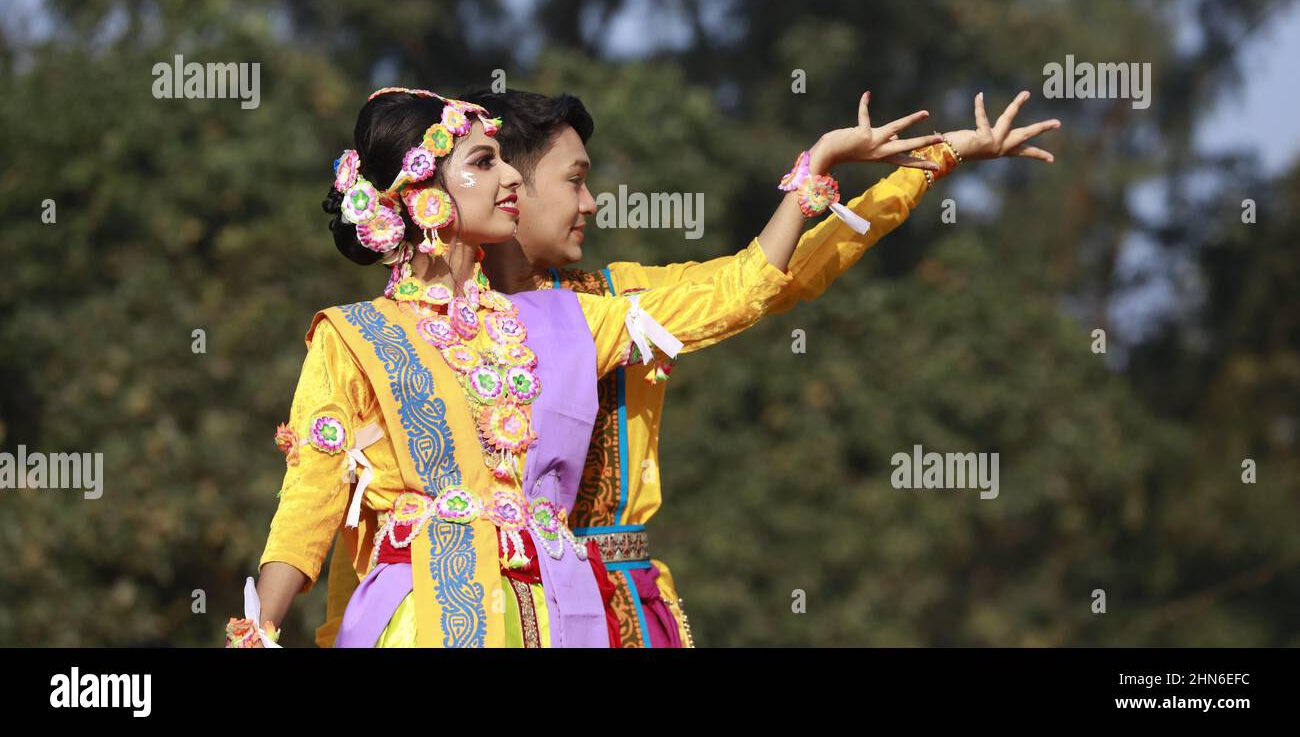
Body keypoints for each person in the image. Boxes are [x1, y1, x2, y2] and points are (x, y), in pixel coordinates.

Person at [310, 86, 1060, 646]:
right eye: (574, 180)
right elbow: (364, 513)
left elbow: (767, 279)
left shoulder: (616, 303)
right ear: (499, 181)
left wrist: (930, 160)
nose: (592, 202)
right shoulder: (401, 334)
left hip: (618, 609)